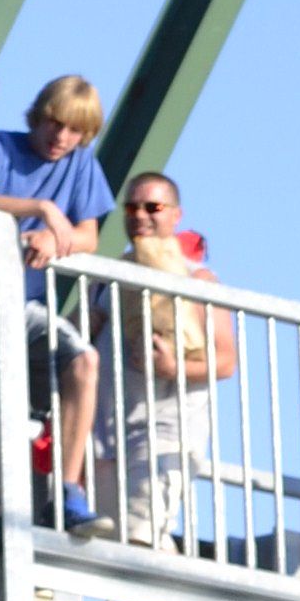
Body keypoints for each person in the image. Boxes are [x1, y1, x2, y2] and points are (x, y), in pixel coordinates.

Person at [0, 71, 113, 530]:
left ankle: (68, 489)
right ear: (38, 116)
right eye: (54, 123)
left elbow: (88, 236)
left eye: (74, 130)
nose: (61, 137)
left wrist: (53, 237)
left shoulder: (81, 164)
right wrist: (40, 210)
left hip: (28, 306)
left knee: (83, 361)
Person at [108, 163, 238, 549]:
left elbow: (226, 361)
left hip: (166, 433)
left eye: (153, 208)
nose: (141, 217)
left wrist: (172, 367)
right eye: (132, 209)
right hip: (110, 433)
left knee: (138, 544)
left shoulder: (197, 279)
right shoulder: (107, 274)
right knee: (141, 544)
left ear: (176, 215)